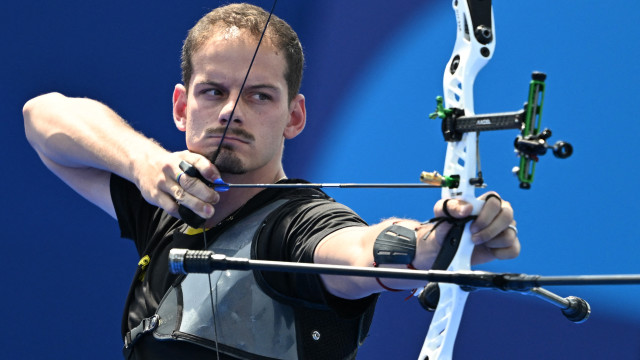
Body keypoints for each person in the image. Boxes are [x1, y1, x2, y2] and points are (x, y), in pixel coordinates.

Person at [23, 3, 519, 359]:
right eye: (213, 91)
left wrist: (439, 244)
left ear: (294, 116)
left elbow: (361, 251)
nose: (231, 111)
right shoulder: (166, 202)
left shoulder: (298, 226)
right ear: (181, 106)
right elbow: (43, 117)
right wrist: (143, 163)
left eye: (259, 96)